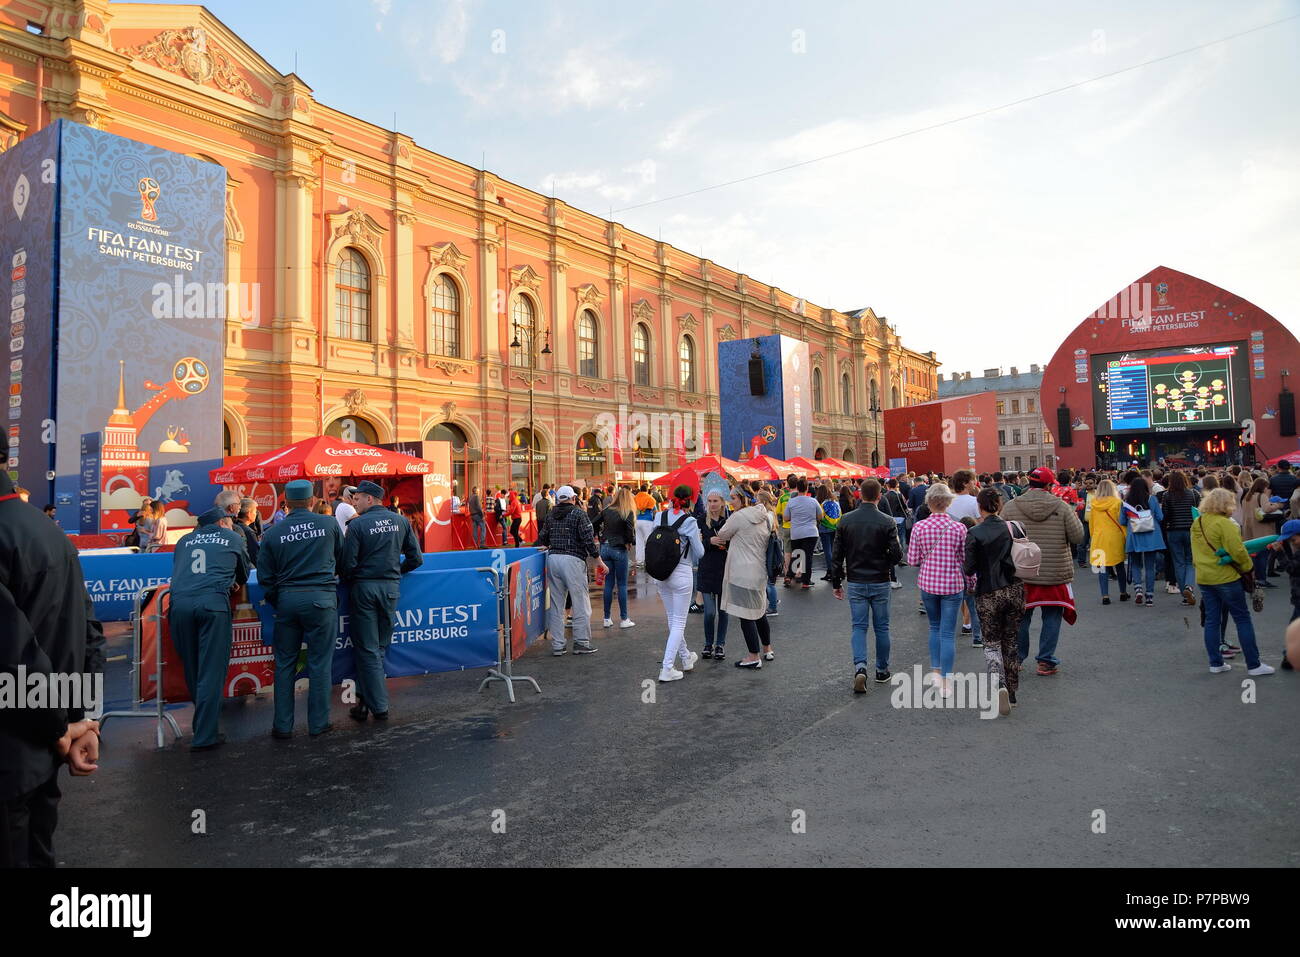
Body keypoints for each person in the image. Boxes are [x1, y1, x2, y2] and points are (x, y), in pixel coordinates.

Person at [0, 433, 104, 867]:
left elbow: (14, 656)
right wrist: (84, 720)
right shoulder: (49, 532)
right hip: (43, 751)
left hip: (18, 749)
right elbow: (88, 634)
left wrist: (63, 728)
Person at [256, 479, 345, 739]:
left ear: (286, 504)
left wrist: (280, 598)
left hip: (287, 600)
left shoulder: (273, 533)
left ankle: (282, 726)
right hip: (321, 598)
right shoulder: (328, 524)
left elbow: (265, 576)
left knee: (285, 664)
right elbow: (343, 560)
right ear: (312, 501)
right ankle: (318, 723)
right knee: (319, 663)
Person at [340, 481, 424, 722]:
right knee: (377, 649)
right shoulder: (400, 521)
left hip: (364, 589)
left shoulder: (357, 526)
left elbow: (347, 566)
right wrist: (395, 571)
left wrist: (359, 576)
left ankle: (379, 706)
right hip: (390, 589)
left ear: (370, 499)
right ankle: (364, 704)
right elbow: (416, 559)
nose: (354, 502)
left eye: (358, 498)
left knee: (368, 649)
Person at [168, 507, 250, 751]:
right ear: (224, 522)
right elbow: (244, 573)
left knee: (192, 667)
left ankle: (203, 726)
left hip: (179, 604)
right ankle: (205, 735)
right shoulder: (233, 537)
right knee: (211, 670)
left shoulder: (184, 541)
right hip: (212, 603)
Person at [1002, 466, 1084, 676]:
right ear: (1049, 485)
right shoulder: (1062, 506)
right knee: (1052, 616)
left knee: (1022, 617)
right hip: (1054, 571)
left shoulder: (1011, 507)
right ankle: (1045, 661)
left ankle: (1018, 658)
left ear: (1029, 482)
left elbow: (1001, 538)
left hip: (1021, 572)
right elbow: (1078, 537)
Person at [1191, 487, 1274, 676]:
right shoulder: (1226, 524)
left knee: (1212, 620)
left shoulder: (1198, 522)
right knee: (1242, 618)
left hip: (1204, 577)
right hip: (1226, 577)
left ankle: (1215, 662)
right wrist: (1249, 569)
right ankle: (1254, 665)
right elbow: (1238, 552)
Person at [830, 478, 901, 693]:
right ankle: (882, 669)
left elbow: (836, 555)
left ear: (860, 494)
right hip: (879, 579)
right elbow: (897, 554)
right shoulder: (887, 521)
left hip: (857, 579)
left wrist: (836, 582)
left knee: (859, 627)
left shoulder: (845, 520)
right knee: (882, 627)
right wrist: (885, 564)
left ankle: (860, 666)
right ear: (879, 496)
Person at [964, 487, 1025, 715]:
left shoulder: (975, 533)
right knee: (1011, 640)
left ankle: (998, 683)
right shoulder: (1016, 527)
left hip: (988, 591)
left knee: (991, 642)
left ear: (979, 507)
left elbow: (969, 568)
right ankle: (1012, 692)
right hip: (1015, 589)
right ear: (999, 505)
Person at [907, 483, 970, 697]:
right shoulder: (959, 528)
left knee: (934, 628)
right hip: (952, 585)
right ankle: (946, 680)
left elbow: (912, 560)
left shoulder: (919, 527)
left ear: (929, 502)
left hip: (928, 584)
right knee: (947, 633)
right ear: (948, 502)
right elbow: (964, 560)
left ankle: (935, 672)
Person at [713, 488, 777, 668]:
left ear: (743, 499)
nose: (730, 501)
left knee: (745, 615)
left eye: (733, 498)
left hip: (741, 573)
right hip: (759, 571)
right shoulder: (766, 515)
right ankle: (767, 649)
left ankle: (753, 656)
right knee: (759, 612)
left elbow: (722, 535)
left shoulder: (738, 517)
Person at [538, 486, 605, 656]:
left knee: (556, 603)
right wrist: (599, 562)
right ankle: (581, 642)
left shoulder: (551, 514)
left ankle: (558, 645)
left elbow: (543, 537)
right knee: (580, 602)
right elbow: (588, 541)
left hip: (553, 559)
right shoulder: (578, 514)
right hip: (573, 560)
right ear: (573, 498)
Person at [652, 485, 705, 683]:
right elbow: (699, 553)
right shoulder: (690, 521)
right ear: (690, 500)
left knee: (672, 618)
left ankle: (685, 657)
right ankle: (667, 668)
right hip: (682, 572)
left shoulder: (659, 516)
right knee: (679, 622)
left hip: (660, 572)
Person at [1120, 476, 1164, 606]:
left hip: (1134, 535)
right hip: (1151, 536)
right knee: (1150, 567)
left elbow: (1122, 521)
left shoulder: (1126, 502)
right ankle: (1149, 595)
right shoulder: (1152, 499)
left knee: (1135, 564)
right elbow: (1160, 517)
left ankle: (1138, 588)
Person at [697, 490, 731, 660]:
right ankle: (708, 643)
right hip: (706, 569)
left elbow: (737, 543)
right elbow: (695, 545)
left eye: (715, 500)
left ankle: (720, 645)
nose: (712, 504)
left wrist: (728, 544)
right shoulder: (701, 520)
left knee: (723, 611)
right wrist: (708, 542)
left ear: (722, 502)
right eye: (709, 501)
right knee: (710, 612)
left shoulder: (729, 520)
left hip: (725, 570)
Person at [598, 487, 636, 629]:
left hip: (605, 547)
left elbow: (594, 521)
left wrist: (600, 535)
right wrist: (628, 542)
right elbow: (630, 531)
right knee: (621, 584)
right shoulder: (627, 512)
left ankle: (606, 618)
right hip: (619, 548)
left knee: (608, 584)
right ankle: (624, 619)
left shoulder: (607, 510)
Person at [1087, 479, 1129, 604]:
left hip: (1099, 537)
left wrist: (1092, 537)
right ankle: (1123, 592)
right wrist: (1126, 537)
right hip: (1115, 537)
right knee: (1120, 566)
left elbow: (1091, 524)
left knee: (1102, 568)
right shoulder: (1117, 502)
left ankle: (1105, 596)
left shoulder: (1094, 503)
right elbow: (1122, 522)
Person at [1162, 471, 1199, 605]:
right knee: (1190, 561)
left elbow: (1165, 515)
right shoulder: (1193, 493)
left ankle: (1184, 593)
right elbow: (1197, 512)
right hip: (1190, 530)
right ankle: (1189, 586)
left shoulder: (1167, 495)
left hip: (1173, 530)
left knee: (1178, 562)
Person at [783, 478, 824, 589]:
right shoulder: (813, 501)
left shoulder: (791, 502)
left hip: (796, 532)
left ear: (797, 487)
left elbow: (786, 518)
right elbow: (820, 516)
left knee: (797, 555)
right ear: (807, 488)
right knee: (808, 556)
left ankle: (789, 576)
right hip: (811, 532)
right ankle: (806, 581)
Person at [1241, 477, 1281, 588]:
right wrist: (1278, 505)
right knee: (1263, 554)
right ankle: (1262, 579)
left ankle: (1254, 577)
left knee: (1254, 555)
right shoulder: (1261, 496)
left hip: (1249, 528)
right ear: (1262, 486)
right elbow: (1267, 509)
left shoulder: (1247, 496)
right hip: (1261, 528)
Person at [815, 484, 840, 582]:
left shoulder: (822, 503)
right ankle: (837, 570)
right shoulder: (835, 502)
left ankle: (830, 571)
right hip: (835, 527)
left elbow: (820, 516)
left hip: (825, 528)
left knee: (827, 551)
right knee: (834, 550)